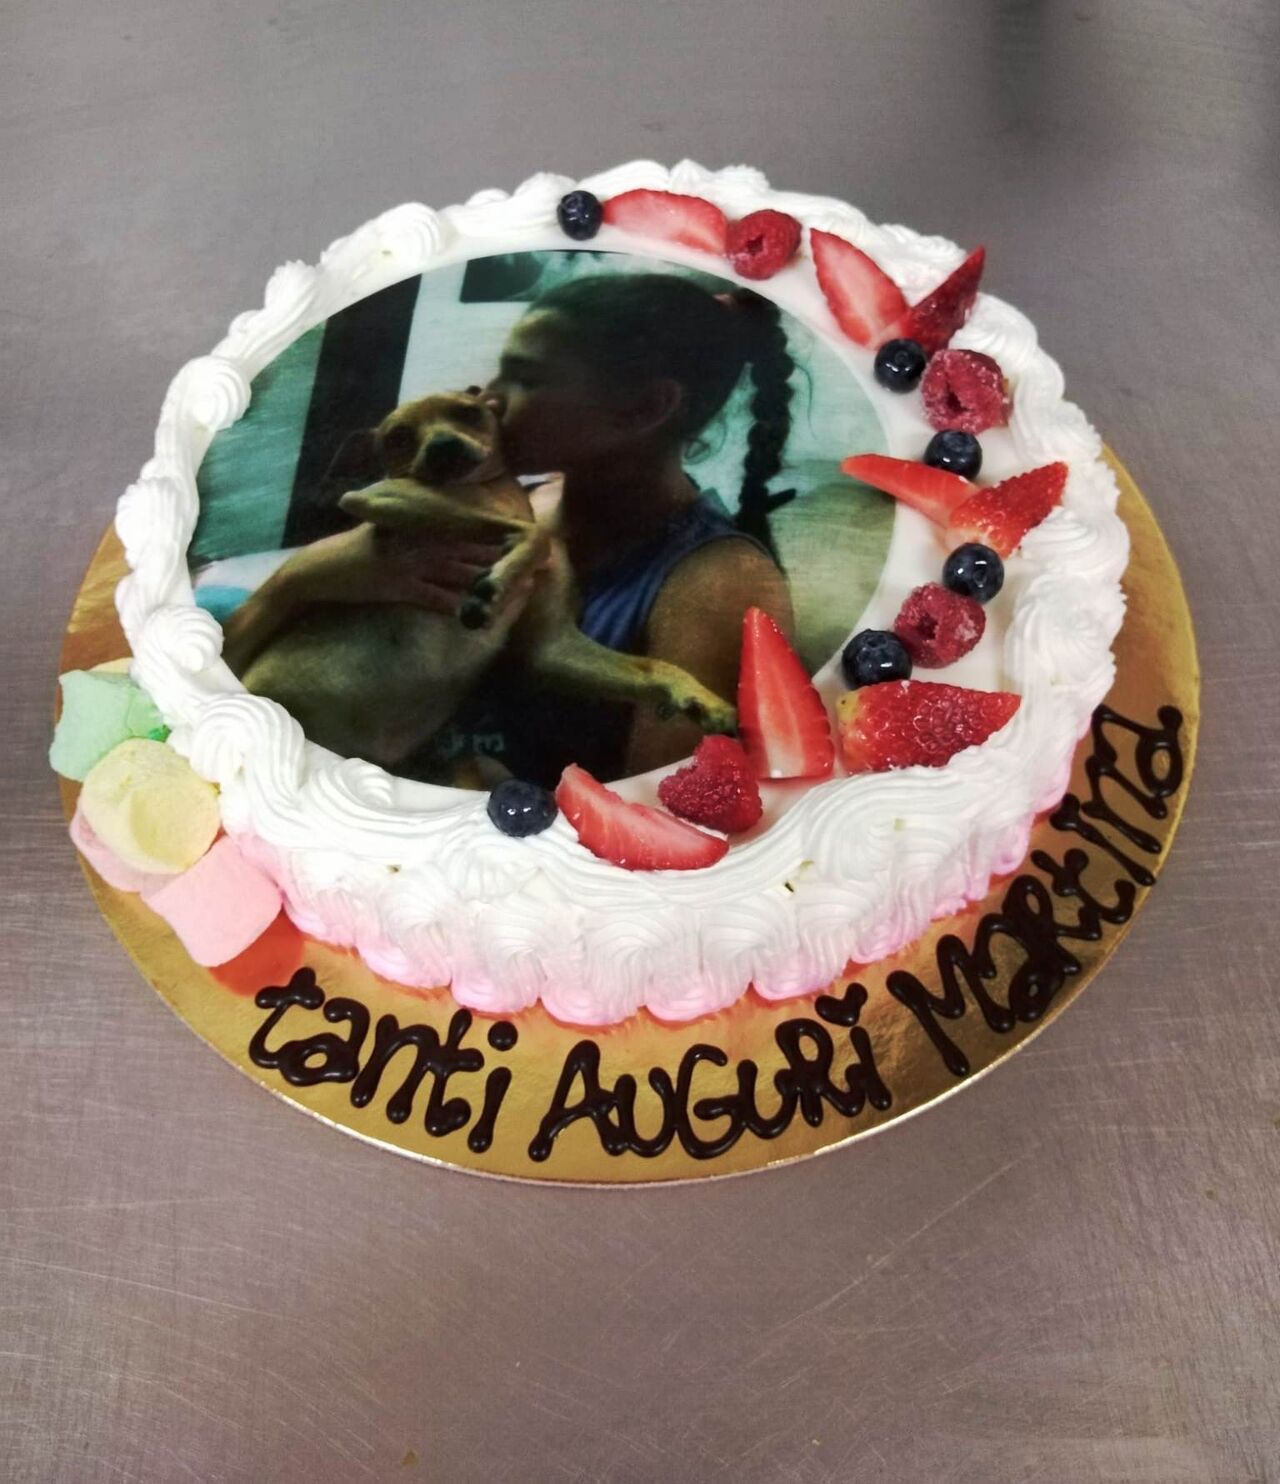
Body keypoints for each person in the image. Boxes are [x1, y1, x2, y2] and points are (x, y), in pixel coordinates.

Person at [223, 272, 797, 784]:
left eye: (525, 376)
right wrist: (297, 582)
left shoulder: (719, 583)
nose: (488, 397)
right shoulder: (523, 504)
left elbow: (666, 817)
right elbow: (223, 680)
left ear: (642, 409)